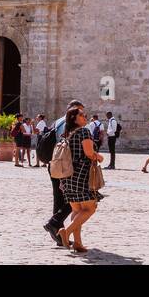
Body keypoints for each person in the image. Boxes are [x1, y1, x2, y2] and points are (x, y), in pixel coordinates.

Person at [57, 106, 103, 254]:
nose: (85, 117)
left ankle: (77, 243)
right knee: (90, 208)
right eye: (82, 115)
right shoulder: (84, 131)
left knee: (77, 209)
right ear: (74, 118)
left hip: (67, 175)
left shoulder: (68, 133)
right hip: (81, 175)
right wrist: (99, 157)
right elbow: (89, 153)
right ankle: (67, 231)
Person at [41, 99, 84, 245]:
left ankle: (58, 235)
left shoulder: (57, 122)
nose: (82, 115)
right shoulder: (69, 124)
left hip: (54, 165)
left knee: (59, 199)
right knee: (76, 197)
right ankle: (55, 222)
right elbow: (71, 146)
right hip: (66, 166)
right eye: (80, 111)